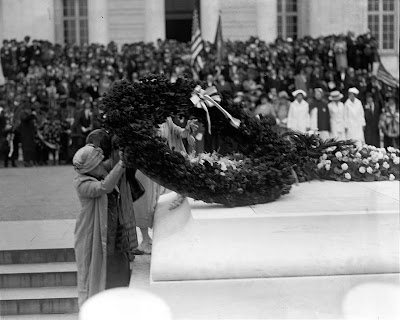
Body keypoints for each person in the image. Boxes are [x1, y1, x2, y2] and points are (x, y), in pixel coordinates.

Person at [73, 144, 134, 307]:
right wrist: (121, 164)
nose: (103, 165)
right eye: (99, 163)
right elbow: (105, 187)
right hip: (93, 233)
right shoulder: (82, 183)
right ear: (91, 167)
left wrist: (123, 149)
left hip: (112, 233)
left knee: (117, 271)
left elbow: (110, 164)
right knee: (95, 272)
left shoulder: (96, 173)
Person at [133, 117, 197, 254]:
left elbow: (180, 133)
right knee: (144, 202)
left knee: (159, 202)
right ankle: (145, 240)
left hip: (161, 167)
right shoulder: (143, 119)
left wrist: (187, 129)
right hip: (145, 166)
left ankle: (154, 237)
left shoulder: (167, 120)